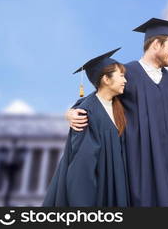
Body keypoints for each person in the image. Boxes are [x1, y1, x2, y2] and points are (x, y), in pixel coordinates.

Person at [66, 18, 168, 206]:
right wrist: (72, 111)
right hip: (136, 158)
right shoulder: (126, 73)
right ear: (155, 44)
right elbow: (98, 96)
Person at [43, 48, 129, 206]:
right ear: (106, 79)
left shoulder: (117, 107)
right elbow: (82, 166)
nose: (125, 80)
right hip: (97, 192)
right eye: (121, 75)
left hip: (114, 184)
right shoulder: (86, 111)